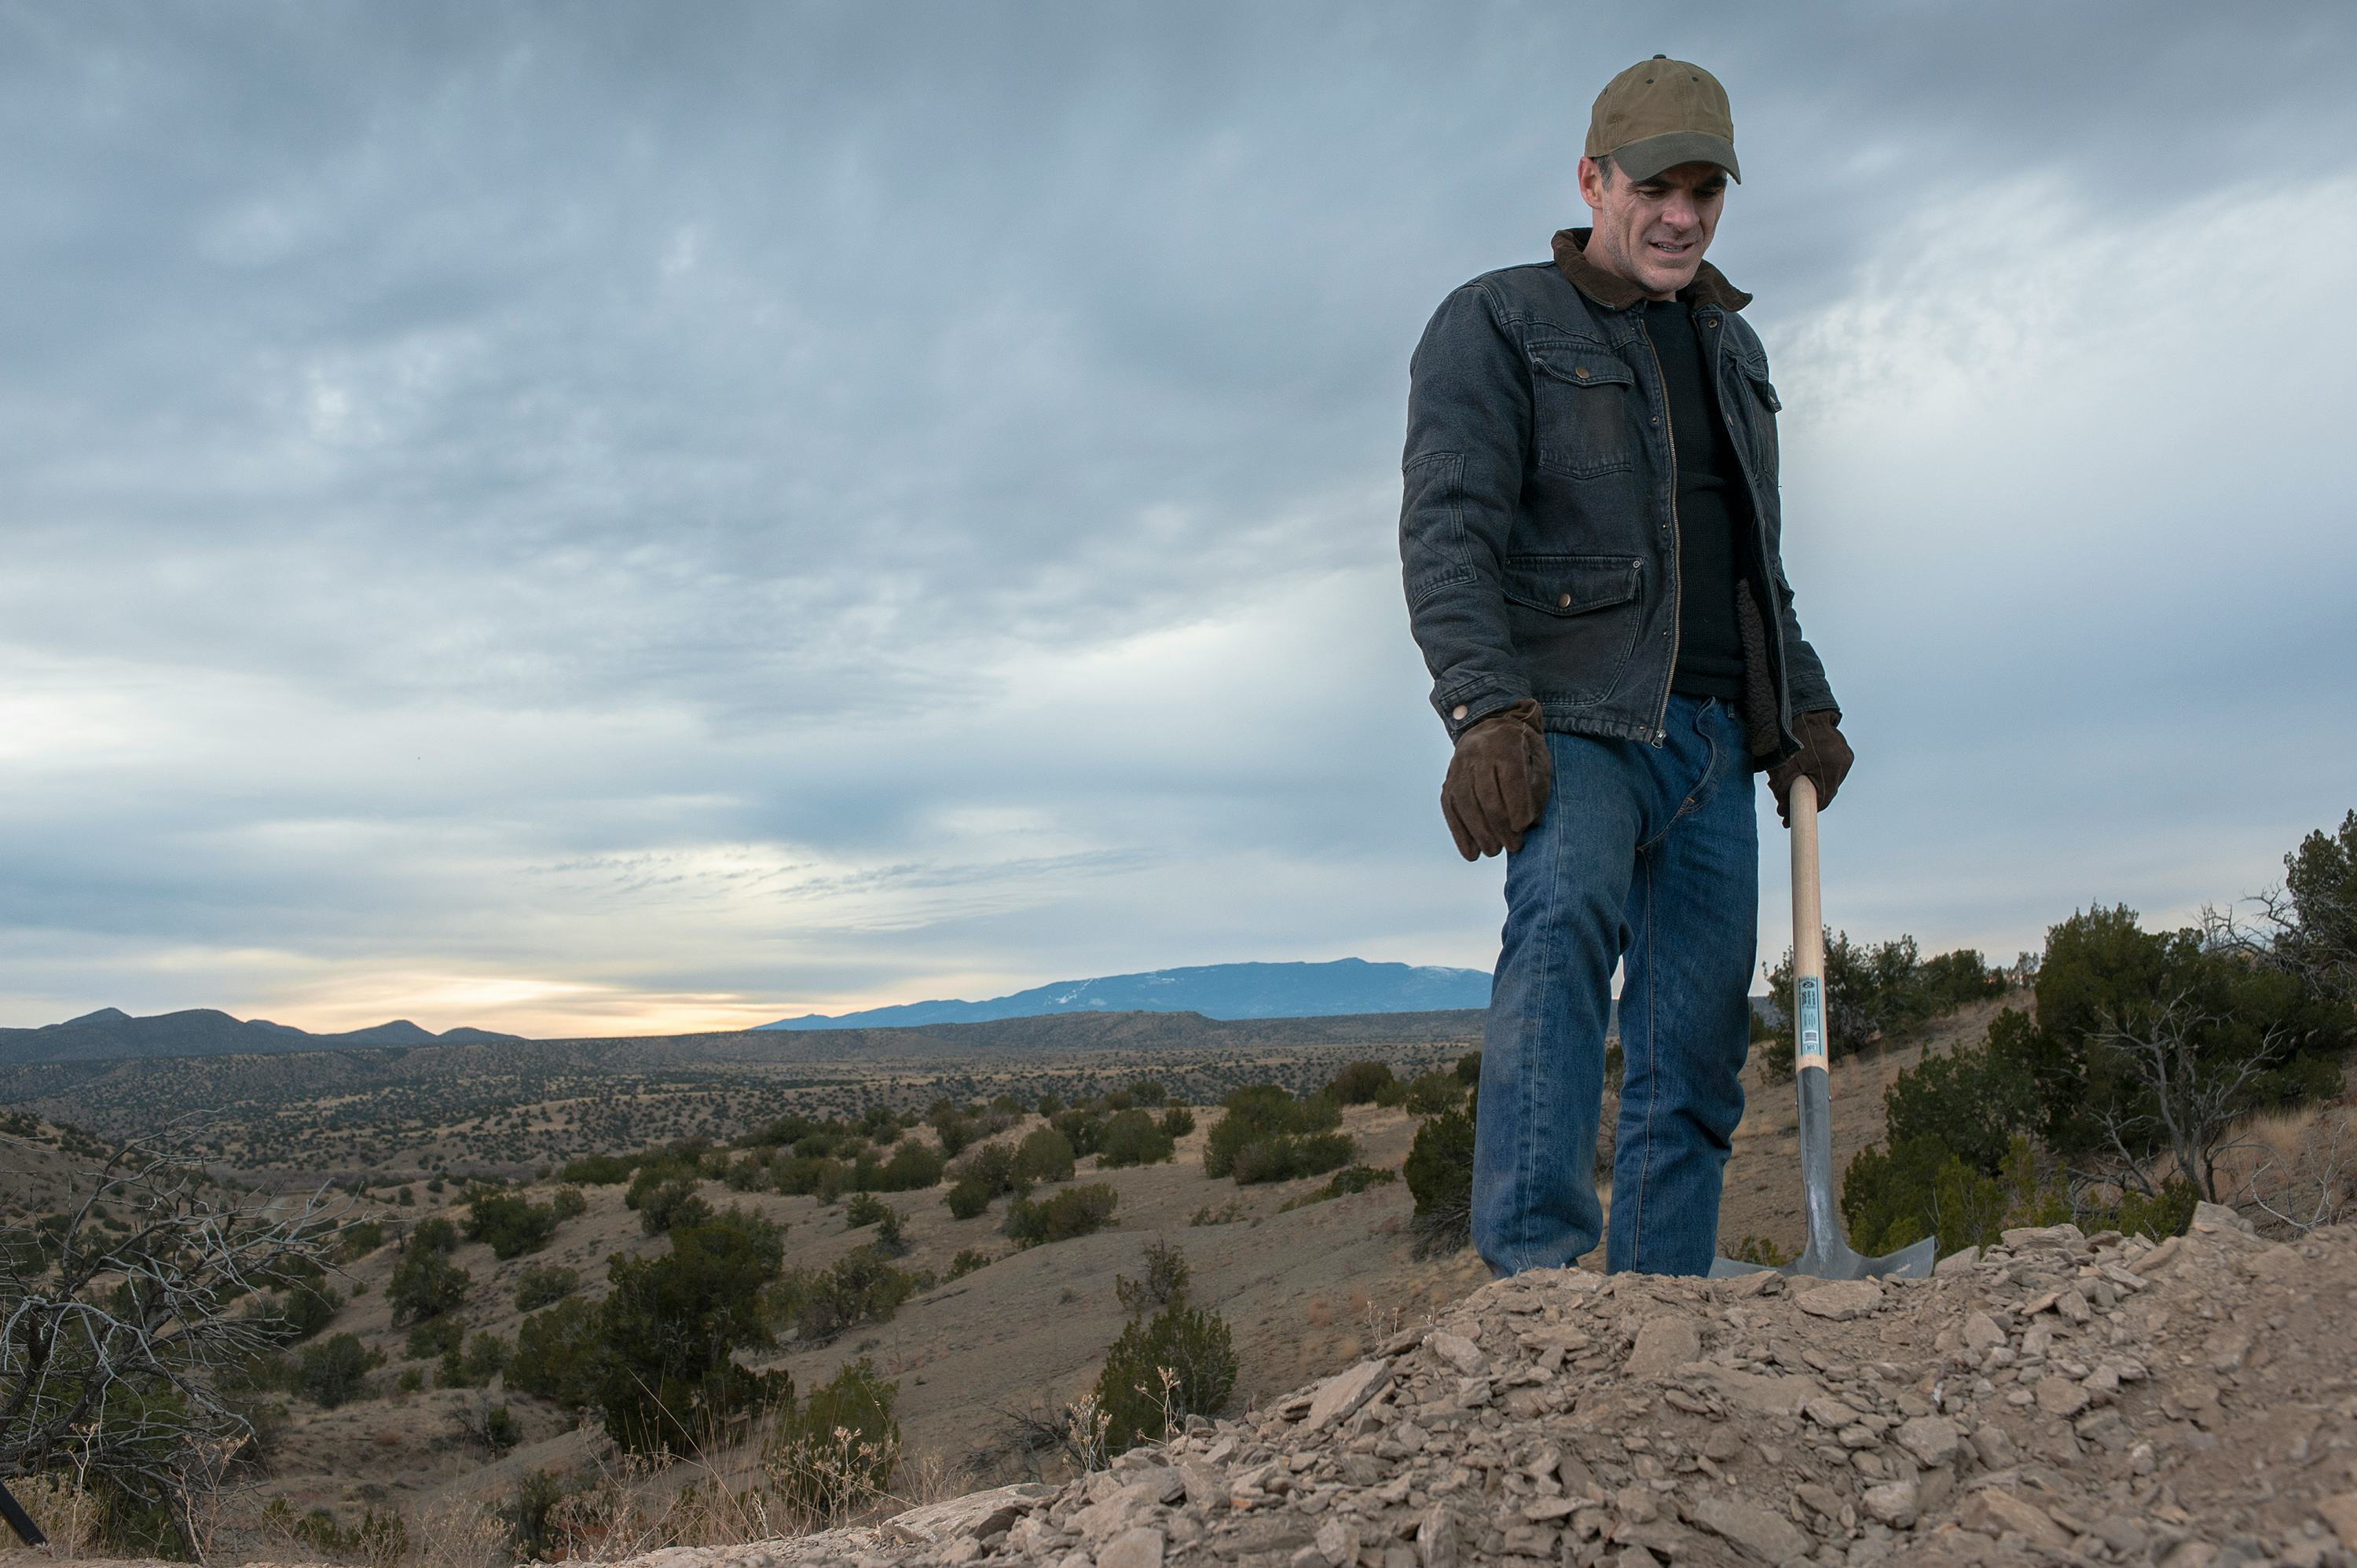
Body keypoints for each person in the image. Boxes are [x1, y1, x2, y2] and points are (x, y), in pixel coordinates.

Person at [1396, 55, 1853, 1277]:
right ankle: (1539, 1298)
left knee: (1695, 1046)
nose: (1682, 216)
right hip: (1580, 723)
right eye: (1656, 187)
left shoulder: (1735, 351)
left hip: (1714, 737)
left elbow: (1757, 561)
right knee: (1557, 958)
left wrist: (1801, 703)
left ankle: (1658, 1313)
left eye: (1706, 191)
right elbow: (1449, 528)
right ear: (1593, 180)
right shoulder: (1501, 321)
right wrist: (1483, 709)